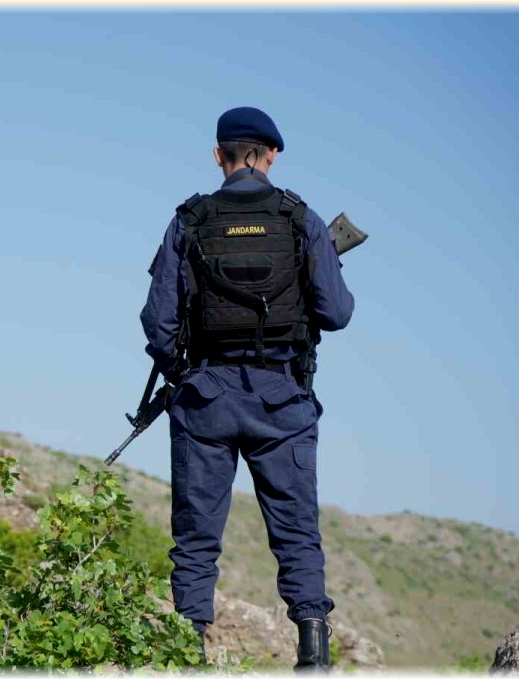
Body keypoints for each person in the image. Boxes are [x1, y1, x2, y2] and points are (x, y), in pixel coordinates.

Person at [140, 107, 354, 672]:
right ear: (272, 154)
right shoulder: (300, 219)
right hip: (282, 400)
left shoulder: (189, 219)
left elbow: (159, 324)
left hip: (205, 397)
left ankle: (187, 655)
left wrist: (184, 373)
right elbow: (336, 313)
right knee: (296, 531)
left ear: (219, 155)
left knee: (195, 539)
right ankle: (313, 656)